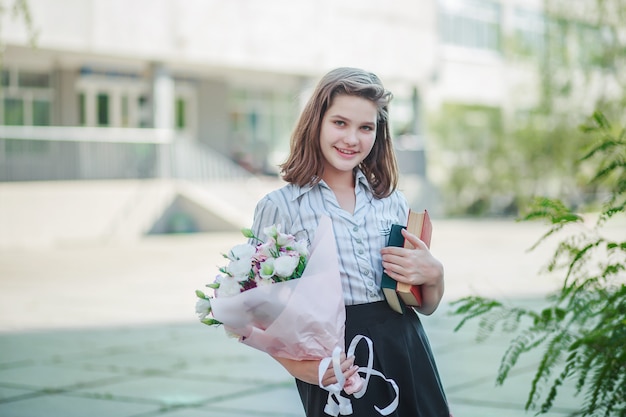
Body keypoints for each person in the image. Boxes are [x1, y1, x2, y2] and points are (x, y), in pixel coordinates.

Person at [250, 67, 450, 417]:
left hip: (407, 351)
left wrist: (435, 274)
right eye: (340, 123)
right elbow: (257, 314)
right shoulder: (279, 207)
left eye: (366, 127)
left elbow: (424, 305)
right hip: (339, 365)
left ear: (378, 133)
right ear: (317, 123)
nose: (352, 139)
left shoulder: (392, 202)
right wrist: (305, 369)